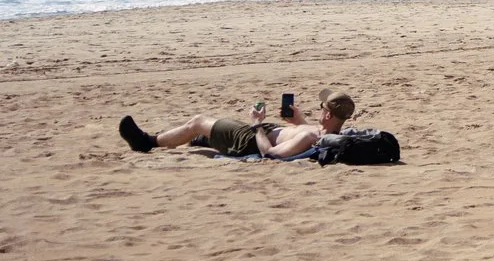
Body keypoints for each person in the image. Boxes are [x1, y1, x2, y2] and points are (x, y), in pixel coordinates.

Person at [117, 90, 356, 160]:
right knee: (204, 134)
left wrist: (256, 125)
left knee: (198, 121)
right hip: (260, 132)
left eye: (322, 108)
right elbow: (301, 132)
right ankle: (197, 140)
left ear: (327, 115)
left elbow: (270, 154)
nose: (320, 110)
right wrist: (297, 121)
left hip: (249, 140)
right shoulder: (321, 131)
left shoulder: (311, 138)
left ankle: (146, 142)